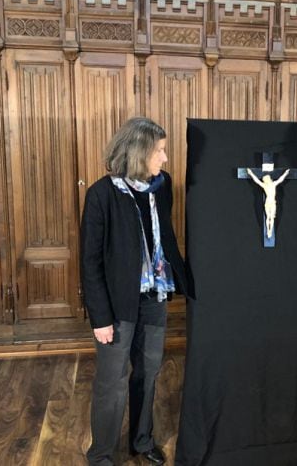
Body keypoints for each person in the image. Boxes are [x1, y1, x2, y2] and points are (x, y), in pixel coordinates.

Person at [81, 117, 188, 466]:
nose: (165, 158)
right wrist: (100, 318)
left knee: (149, 371)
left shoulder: (162, 185)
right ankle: (100, 455)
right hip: (117, 306)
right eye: (159, 150)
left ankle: (141, 442)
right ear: (139, 152)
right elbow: (91, 263)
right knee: (111, 382)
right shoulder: (101, 194)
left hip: (154, 297)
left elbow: (165, 238)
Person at [246, 168, 290, 238]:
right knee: (268, 217)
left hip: (272, 202)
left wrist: (285, 174)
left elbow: (280, 179)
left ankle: (270, 231)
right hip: (269, 202)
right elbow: (256, 180)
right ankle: (268, 231)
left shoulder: (272, 184)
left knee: (271, 217)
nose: (269, 179)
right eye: (268, 178)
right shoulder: (265, 185)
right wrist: (251, 173)